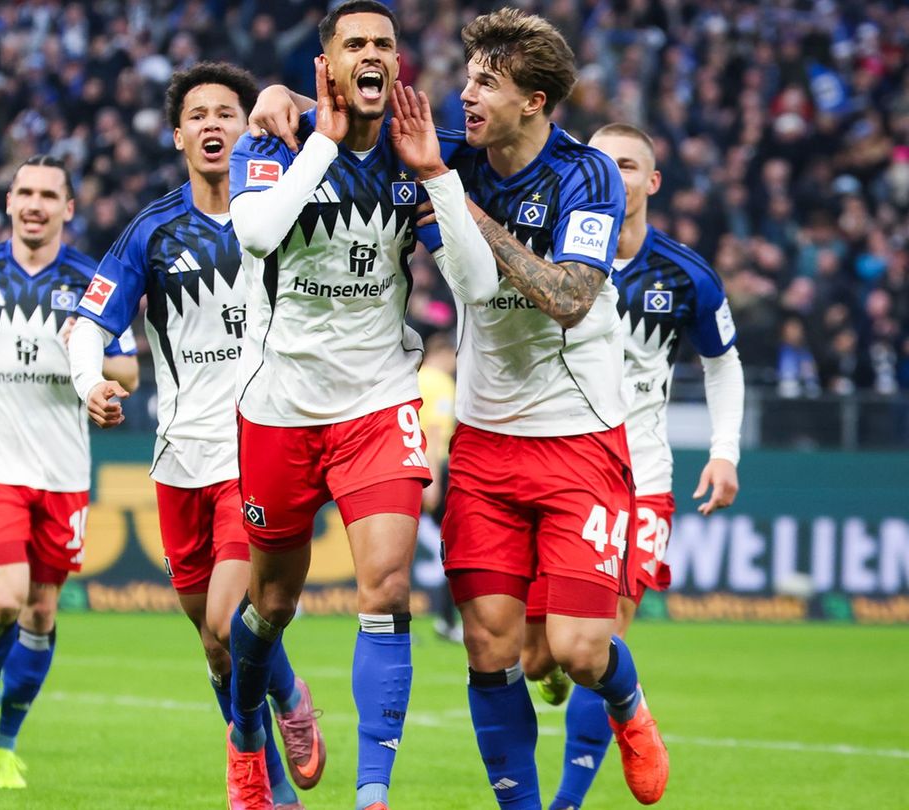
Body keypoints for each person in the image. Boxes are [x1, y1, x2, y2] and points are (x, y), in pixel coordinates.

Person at [247, 8, 671, 806]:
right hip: (482, 438)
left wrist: (456, 201)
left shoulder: (586, 177)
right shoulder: (447, 148)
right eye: (468, 77)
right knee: (489, 647)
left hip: (578, 433)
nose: (465, 95)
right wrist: (281, 97)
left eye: (487, 84)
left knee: (579, 650)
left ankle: (625, 699)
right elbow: (358, 108)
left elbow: (569, 297)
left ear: (535, 102)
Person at [224, 3, 496, 808]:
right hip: (280, 408)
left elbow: (476, 288)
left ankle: (372, 793)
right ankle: (248, 735)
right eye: (356, 44)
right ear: (328, 64)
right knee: (270, 605)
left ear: (398, 60)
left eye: (385, 43)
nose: (373, 54)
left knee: (385, 589)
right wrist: (321, 137)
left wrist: (437, 178)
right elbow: (258, 235)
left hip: (378, 403)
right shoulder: (271, 143)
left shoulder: (420, 153)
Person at [67, 62, 324, 810]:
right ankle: (274, 779)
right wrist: (91, 382)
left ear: (248, 128)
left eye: (227, 113)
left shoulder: (283, 212)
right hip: (180, 456)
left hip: (259, 446)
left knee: (227, 615)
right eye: (199, 115)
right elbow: (89, 324)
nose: (213, 124)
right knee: (215, 647)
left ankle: (271, 727)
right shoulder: (152, 231)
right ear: (178, 134)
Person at [524, 123, 743, 810]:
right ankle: (575, 677)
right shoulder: (545, 252)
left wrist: (724, 451)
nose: (612, 176)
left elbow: (723, 361)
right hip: (555, 470)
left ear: (651, 182)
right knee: (539, 658)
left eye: (628, 166)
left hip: (638, 479)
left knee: (601, 638)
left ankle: (568, 799)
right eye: (600, 163)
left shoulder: (685, 273)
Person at [0, 155, 138, 790]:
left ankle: (6, 744)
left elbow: (129, 367)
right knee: (6, 598)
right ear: (8, 201)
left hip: (64, 469)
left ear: (67, 209)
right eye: (24, 191)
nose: (35, 203)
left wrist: (93, 372)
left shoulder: (92, 281)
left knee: (42, 615)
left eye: (48, 194)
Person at [415, 332, 459, 642]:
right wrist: (433, 481)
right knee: (452, 544)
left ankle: (390, 623)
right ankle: (447, 620)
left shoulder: (414, 377)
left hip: (405, 460)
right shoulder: (440, 382)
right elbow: (434, 430)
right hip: (434, 467)